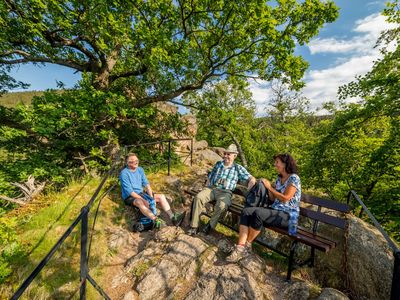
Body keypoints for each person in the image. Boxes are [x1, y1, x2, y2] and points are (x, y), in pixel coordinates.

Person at [226, 153, 301, 262]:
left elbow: (285, 198)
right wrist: (266, 186)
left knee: (258, 214)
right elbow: (272, 198)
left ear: (285, 164)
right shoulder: (279, 179)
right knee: (246, 211)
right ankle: (240, 246)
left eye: (277, 162)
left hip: (289, 216)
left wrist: (269, 187)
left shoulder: (294, 178)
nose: (275, 165)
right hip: (275, 211)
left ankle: (246, 246)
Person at [188, 144, 256, 235]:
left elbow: (251, 178)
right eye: (225, 154)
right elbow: (210, 176)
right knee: (199, 197)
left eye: (229, 154)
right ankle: (194, 226)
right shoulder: (218, 164)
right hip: (212, 189)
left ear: (234, 156)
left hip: (225, 192)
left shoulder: (238, 168)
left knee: (222, 206)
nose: (226, 156)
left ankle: (209, 226)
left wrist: (250, 186)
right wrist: (206, 187)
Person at [119, 153, 185, 229]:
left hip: (141, 193)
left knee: (161, 197)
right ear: (128, 163)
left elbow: (146, 184)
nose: (136, 162)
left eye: (137, 160)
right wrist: (144, 200)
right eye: (133, 161)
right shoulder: (124, 173)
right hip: (130, 196)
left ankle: (173, 217)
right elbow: (130, 191)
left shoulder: (140, 169)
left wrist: (151, 197)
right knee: (140, 202)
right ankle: (156, 220)